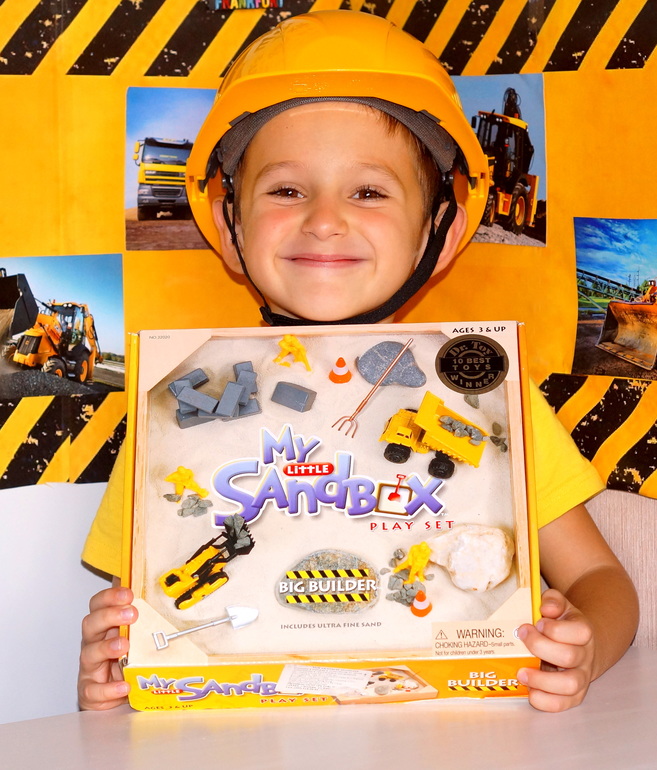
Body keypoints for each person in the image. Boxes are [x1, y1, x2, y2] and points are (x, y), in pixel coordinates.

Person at [78, 10, 638, 713]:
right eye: (286, 190)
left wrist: (584, 646)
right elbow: (149, 611)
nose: (323, 219)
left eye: (368, 192)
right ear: (229, 224)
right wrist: (112, 676)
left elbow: (599, 581)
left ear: (440, 231)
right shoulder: (175, 406)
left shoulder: (487, 395)